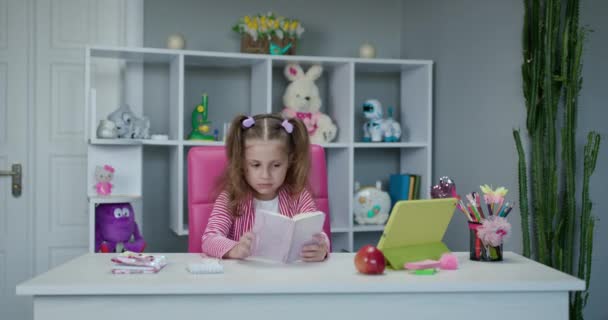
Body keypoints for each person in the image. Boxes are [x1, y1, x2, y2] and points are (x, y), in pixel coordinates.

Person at [201, 113, 329, 262]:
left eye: (276, 165)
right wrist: (235, 249)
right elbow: (209, 239)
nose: (265, 175)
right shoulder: (231, 197)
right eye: (255, 165)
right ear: (241, 162)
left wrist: (322, 248)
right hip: (243, 279)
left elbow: (318, 235)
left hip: (288, 279)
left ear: (290, 161)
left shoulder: (299, 196)